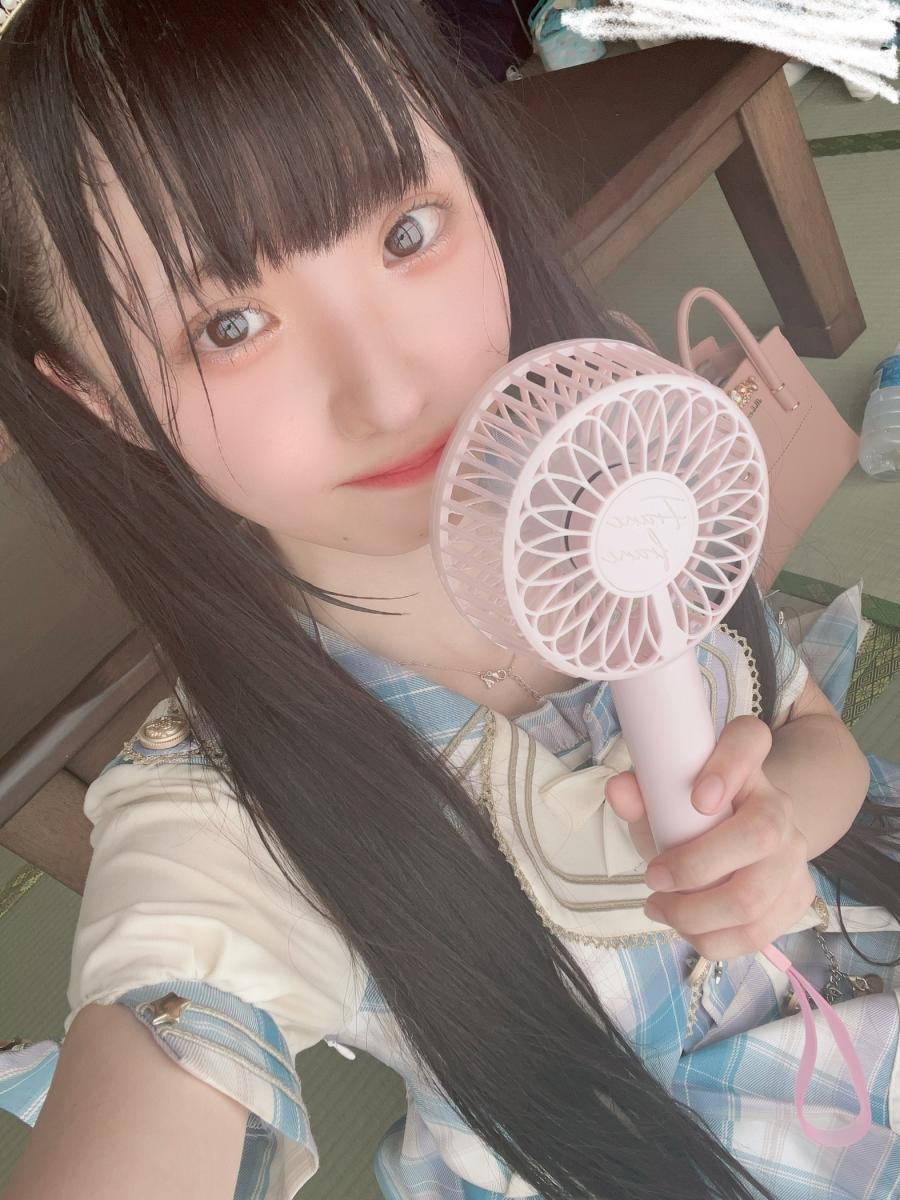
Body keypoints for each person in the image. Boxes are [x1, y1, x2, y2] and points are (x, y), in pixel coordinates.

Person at [0, 3, 898, 1199]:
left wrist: (782, 820)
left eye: (408, 231)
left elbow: (812, 733)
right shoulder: (221, 816)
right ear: (96, 397)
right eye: (229, 325)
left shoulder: (615, 467)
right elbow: (161, 1036)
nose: (389, 389)